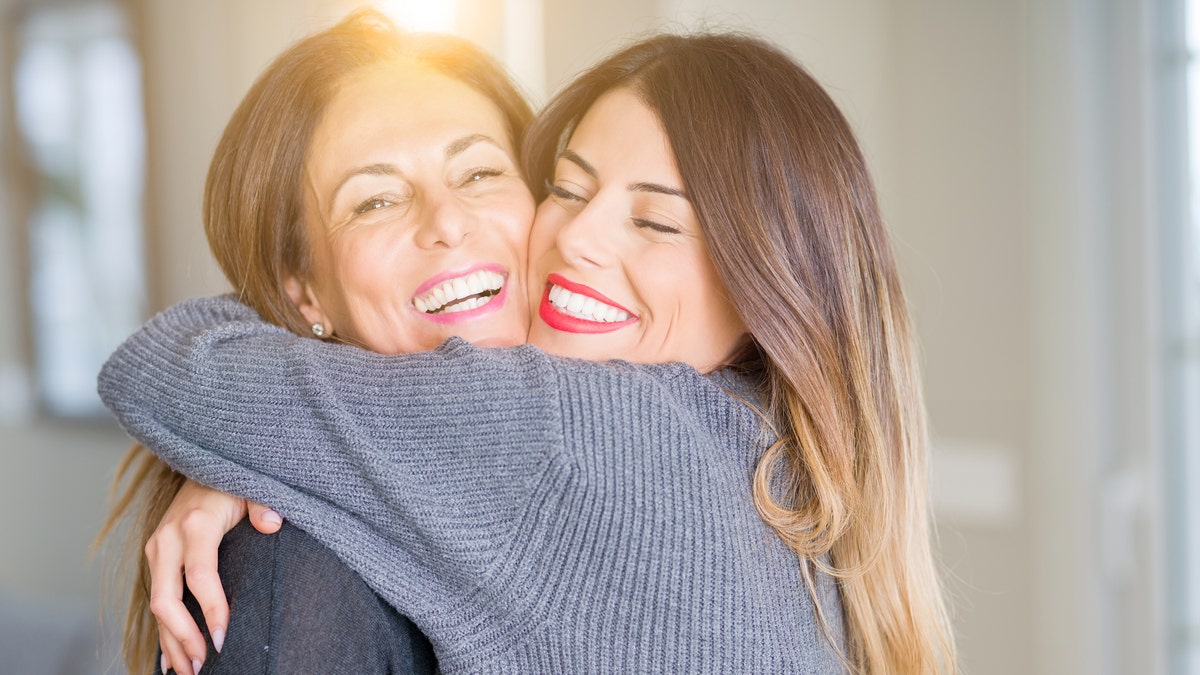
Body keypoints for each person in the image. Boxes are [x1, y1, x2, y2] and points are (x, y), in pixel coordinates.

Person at [101, 23, 957, 675]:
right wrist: (282, 451)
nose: (578, 237)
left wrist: (252, 442)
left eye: (480, 173)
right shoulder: (775, 460)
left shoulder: (576, 428)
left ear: (764, 287)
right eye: (568, 187)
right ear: (303, 288)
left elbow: (162, 367)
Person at [98, 9, 535, 674]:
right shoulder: (291, 554)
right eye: (375, 201)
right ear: (305, 292)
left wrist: (265, 439)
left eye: (479, 173)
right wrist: (264, 453)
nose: (447, 220)